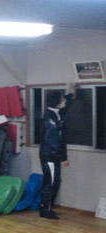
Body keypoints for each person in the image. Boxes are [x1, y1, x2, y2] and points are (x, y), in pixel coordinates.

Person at [39, 85, 75, 219]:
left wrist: (70, 95)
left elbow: (65, 109)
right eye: (62, 99)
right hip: (50, 156)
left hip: (53, 156)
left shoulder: (56, 114)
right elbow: (53, 141)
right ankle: (45, 210)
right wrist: (63, 158)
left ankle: (48, 207)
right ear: (57, 103)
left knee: (55, 182)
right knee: (50, 183)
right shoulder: (50, 119)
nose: (63, 101)